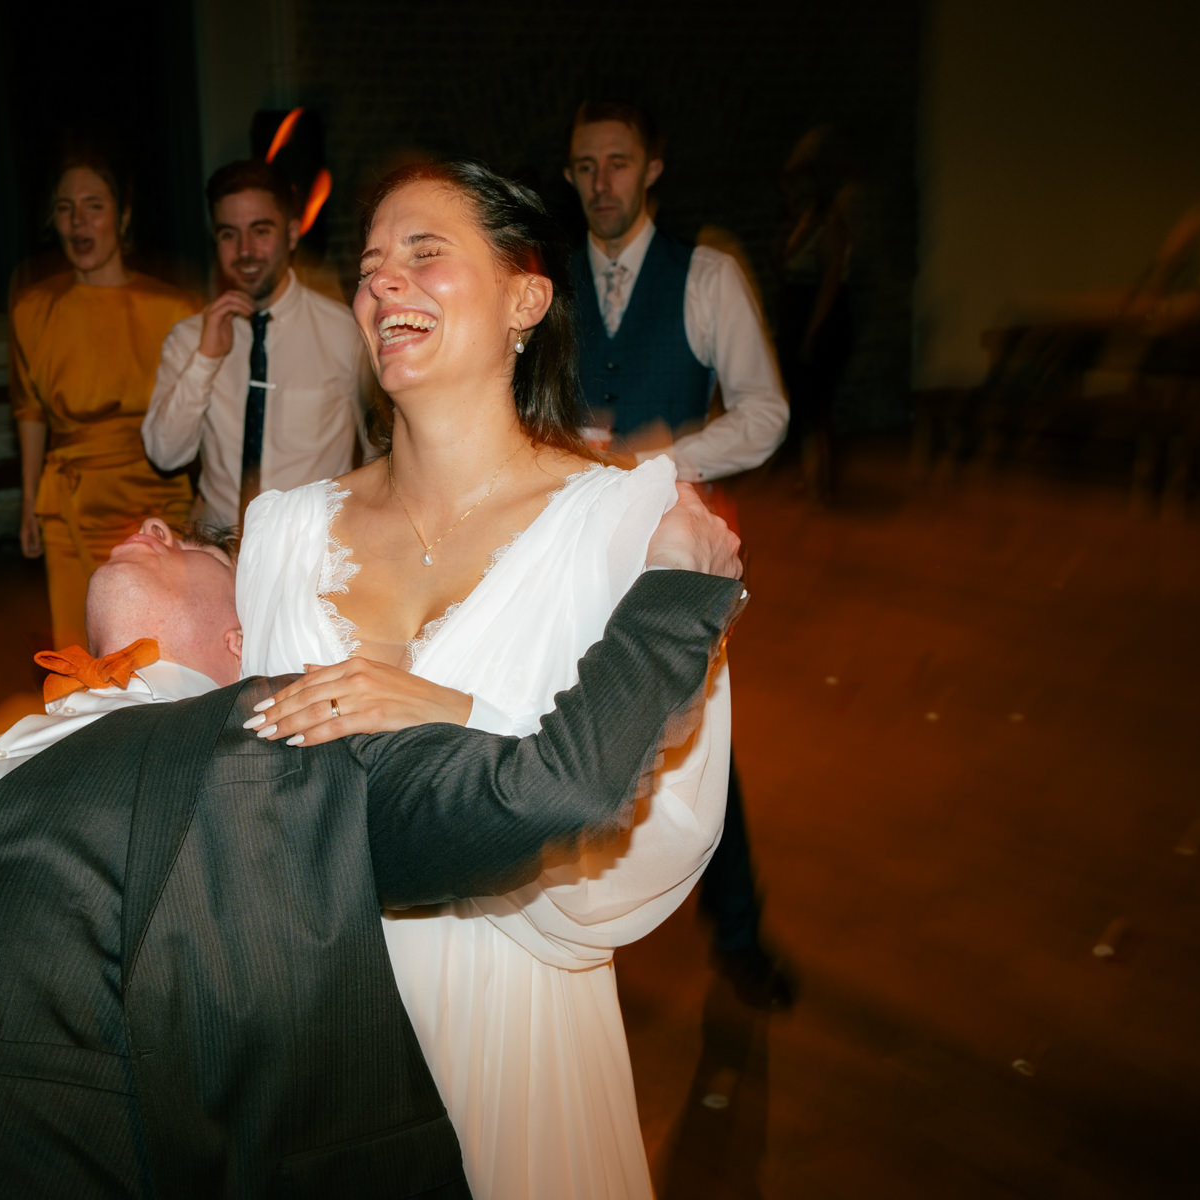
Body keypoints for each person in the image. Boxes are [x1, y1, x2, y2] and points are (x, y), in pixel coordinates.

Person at [0, 505, 746, 1199]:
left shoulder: (269, 748)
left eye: (190, 541)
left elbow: (549, 786)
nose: (151, 518)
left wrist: (675, 595)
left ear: (240, 642)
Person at [234, 160, 733, 1200]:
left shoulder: (630, 523)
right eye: (370, 269)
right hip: (329, 1014)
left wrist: (449, 714)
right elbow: (243, 800)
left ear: (526, 298)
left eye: (425, 254)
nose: (385, 286)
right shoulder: (279, 533)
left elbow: (671, 819)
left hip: (522, 1013)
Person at [566, 100, 796, 1011]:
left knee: (698, 742)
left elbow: (765, 413)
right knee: (575, 735)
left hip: (673, 550)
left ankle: (736, 930)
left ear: (653, 167)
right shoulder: (544, 284)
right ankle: (581, 942)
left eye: (617, 163)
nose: (600, 185)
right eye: (583, 166)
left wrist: (664, 459)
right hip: (576, 544)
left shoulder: (705, 275)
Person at [11, 147, 203, 648]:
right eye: (65, 207)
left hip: (156, 503)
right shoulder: (33, 309)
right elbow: (30, 409)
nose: (78, 221)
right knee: (80, 655)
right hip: (69, 506)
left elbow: (203, 413)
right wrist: (29, 499)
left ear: (123, 215)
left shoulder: (175, 308)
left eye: (93, 205)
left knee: (159, 652)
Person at [143, 159, 369, 528]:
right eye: (229, 234)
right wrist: (205, 359)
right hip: (221, 554)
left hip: (314, 555)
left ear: (292, 233)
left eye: (260, 231)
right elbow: (163, 454)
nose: (245, 250)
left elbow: (381, 451)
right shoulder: (189, 339)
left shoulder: (344, 331)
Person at [773, 125, 855, 501]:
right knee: (803, 402)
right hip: (795, 315)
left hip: (820, 318)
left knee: (818, 402)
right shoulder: (799, 223)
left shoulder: (830, 222)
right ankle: (812, 479)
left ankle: (823, 484)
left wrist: (813, 331)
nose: (792, 192)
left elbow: (831, 281)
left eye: (799, 184)